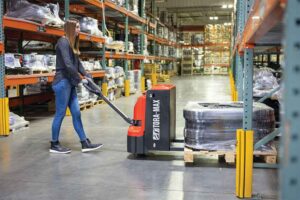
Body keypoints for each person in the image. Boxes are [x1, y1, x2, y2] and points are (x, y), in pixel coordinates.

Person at [50, 19, 102, 154]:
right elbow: (67, 64)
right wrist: (80, 79)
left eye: (79, 27)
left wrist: (87, 75)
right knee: (60, 114)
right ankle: (54, 144)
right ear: (70, 28)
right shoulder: (63, 41)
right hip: (62, 82)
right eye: (77, 27)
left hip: (70, 83)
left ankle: (84, 142)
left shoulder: (72, 44)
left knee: (77, 113)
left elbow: (77, 63)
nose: (79, 30)